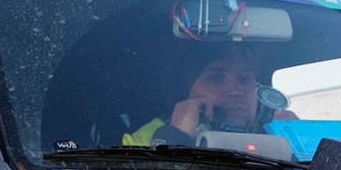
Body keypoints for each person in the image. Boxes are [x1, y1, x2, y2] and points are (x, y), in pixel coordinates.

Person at [123, 49, 294, 147]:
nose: (236, 90)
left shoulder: (279, 137)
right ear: (184, 92)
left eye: (245, 79)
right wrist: (177, 136)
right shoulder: (144, 140)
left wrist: (294, 135)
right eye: (216, 78)